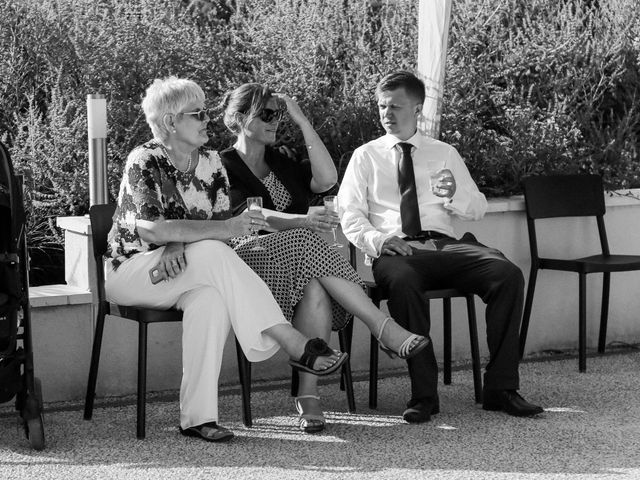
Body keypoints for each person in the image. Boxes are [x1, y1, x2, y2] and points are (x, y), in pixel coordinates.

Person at [105, 76, 351, 443]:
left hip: (187, 268)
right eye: (198, 113)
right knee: (212, 249)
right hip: (134, 270)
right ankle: (295, 343)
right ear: (171, 122)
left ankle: (197, 418)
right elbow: (155, 231)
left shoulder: (209, 162)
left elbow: (221, 226)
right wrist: (177, 240)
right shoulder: (145, 158)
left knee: (212, 300)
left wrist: (181, 241)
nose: (208, 119)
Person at [219, 82, 429, 433]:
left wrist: (302, 121)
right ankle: (381, 326)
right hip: (250, 261)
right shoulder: (222, 165)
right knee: (304, 239)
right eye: (266, 114)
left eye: (278, 114)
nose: (275, 121)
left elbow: (327, 179)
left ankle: (309, 397)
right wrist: (302, 221)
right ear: (240, 119)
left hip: (302, 262)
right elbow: (250, 216)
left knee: (315, 285)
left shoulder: (282, 158)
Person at [338, 70, 543, 423]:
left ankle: (502, 388)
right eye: (382, 106)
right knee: (402, 280)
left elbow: (476, 208)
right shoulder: (365, 156)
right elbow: (350, 215)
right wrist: (380, 241)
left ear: (418, 109)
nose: (387, 114)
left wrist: (455, 195)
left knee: (506, 273)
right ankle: (424, 395)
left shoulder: (444, 152)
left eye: (396, 107)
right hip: (394, 249)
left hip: (445, 247)